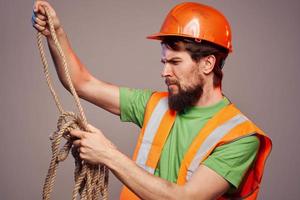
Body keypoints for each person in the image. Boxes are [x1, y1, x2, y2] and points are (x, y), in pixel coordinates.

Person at [32, 1, 272, 199]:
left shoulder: (240, 138)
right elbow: (82, 83)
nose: (164, 72)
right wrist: (56, 33)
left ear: (208, 63)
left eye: (175, 62)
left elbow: (185, 198)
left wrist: (108, 154)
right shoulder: (155, 105)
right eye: (164, 62)